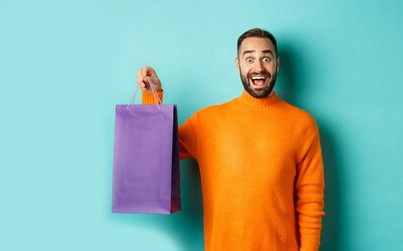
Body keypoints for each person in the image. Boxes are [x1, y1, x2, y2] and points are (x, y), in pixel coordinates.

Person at [136, 28, 325, 251]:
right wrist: (152, 95)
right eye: (250, 58)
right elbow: (158, 151)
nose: (259, 67)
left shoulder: (303, 125)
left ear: (277, 64)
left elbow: (310, 202)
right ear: (238, 65)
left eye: (266, 58)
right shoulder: (207, 122)